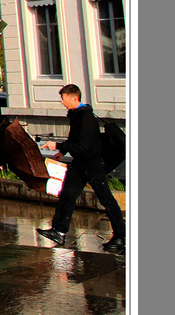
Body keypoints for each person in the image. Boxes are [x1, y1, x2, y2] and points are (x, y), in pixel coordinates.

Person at [37, 84, 125, 253]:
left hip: (92, 164)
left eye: (63, 98)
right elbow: (74, 138)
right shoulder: (76, 115)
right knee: (67, 194)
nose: (62, 102)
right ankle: (59, 231)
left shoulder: (86, 118)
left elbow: (83, 146)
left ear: (74, 97)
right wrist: (62, 151)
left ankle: (121, 237)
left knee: (106, 200)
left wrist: (57, 144)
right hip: (80, 164)